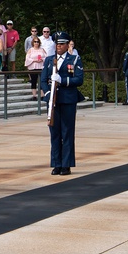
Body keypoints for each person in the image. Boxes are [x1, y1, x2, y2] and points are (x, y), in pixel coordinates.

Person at [40, 32, 84, 175]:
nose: (58, 46)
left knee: (67, 132)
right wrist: (47, 94)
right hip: (53, 100)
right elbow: (43, 80)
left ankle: (66, 164)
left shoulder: (74, 59)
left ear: (67, 45)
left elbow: (79, 79)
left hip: (68, 99)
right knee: (55, 133)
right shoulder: (49, 60)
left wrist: (63, 80)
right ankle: (56, 163)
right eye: (57, 44)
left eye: (62, 44)